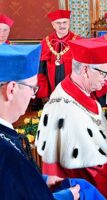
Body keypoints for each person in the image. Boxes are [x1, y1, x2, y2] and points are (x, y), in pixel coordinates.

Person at [35, 38, 107, 200]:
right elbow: (93, 166)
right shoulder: (67, 108)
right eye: (104, 73)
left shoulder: (75, 91)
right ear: (85, 70)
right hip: (75, 190)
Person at [0, 44, 80, 199]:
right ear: (11, 90)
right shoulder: (7, 154)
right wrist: (66, 197)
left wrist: (41, 180)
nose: (33, 96)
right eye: (32, 88)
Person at [37, 9, 81, 99]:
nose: (62, 26)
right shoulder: (45, 42)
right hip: (51, 88)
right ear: (53, 25)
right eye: (58, 23)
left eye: (65, 22)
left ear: (69, 23)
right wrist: (43, 92)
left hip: (74, 88)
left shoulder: (79, 41)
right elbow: (41, 70)